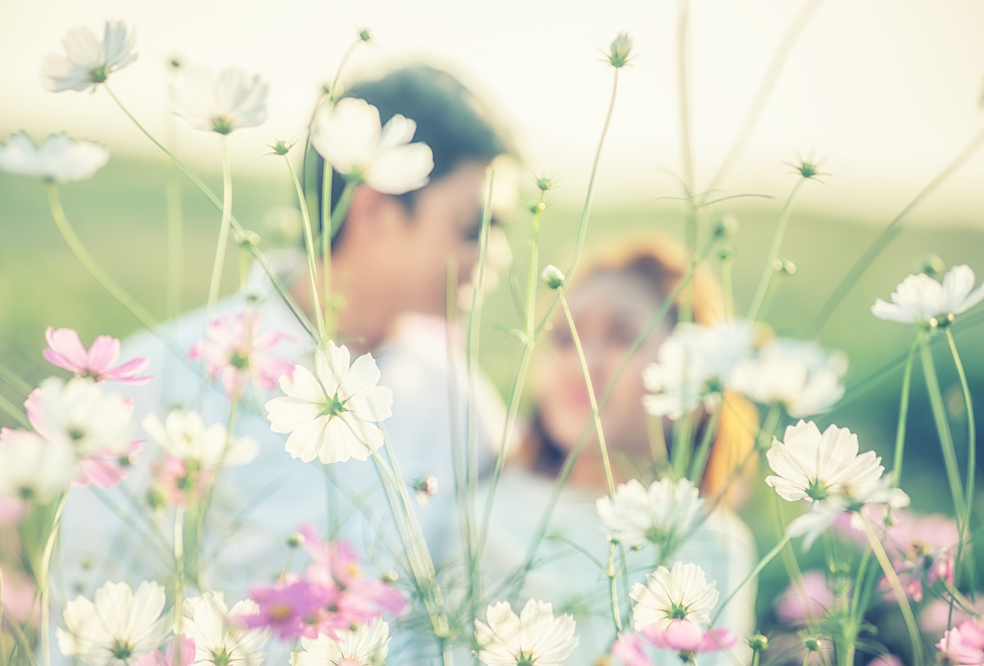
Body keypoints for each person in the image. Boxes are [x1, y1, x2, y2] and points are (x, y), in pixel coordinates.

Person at [54, 64, 512, 632]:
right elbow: (87, 616)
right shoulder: (162, 376)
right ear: (374, 211)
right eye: (474, 227)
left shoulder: (458, 397)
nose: (498, 254)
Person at [480, 234, 759, 666]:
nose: (584, 362)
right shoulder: (484, 515)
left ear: (694, 379)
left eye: (622, 338)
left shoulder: (711, 541)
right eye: (565, 339)